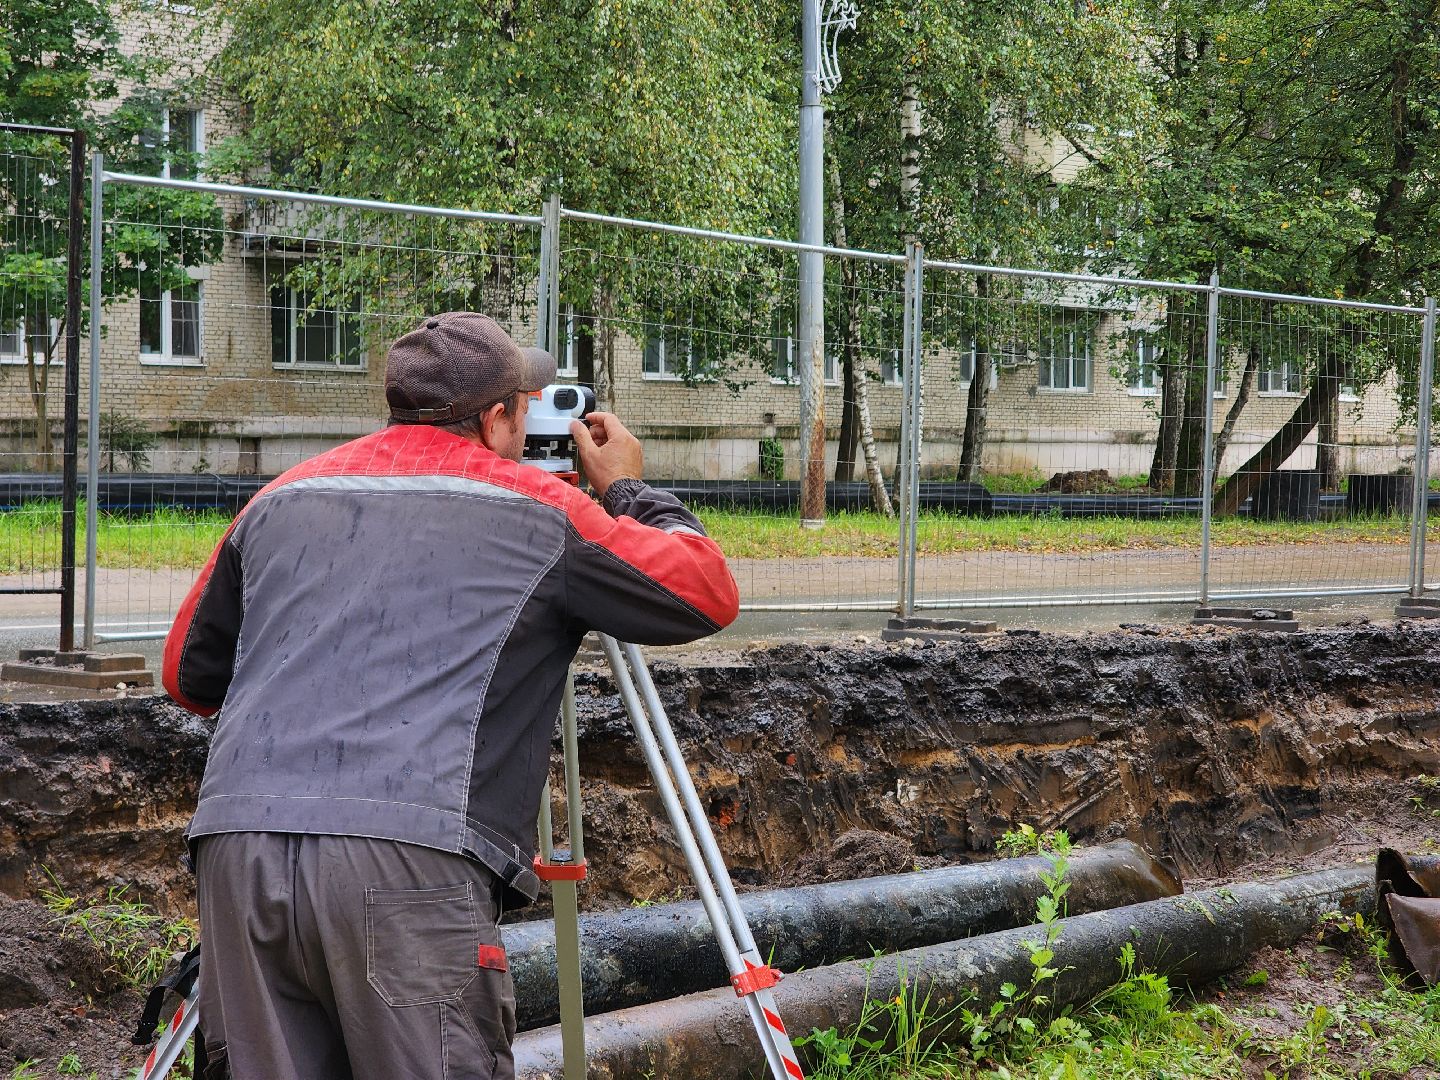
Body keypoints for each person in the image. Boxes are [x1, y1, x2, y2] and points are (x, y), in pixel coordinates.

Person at [162, 311, 739, 1080]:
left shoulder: (283, 495)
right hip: (411, 866)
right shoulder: (543, 511)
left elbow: (187, 678)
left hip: (239, 857)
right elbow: (702, 591)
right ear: (500, 417)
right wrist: (627, 488)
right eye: (527, 406)